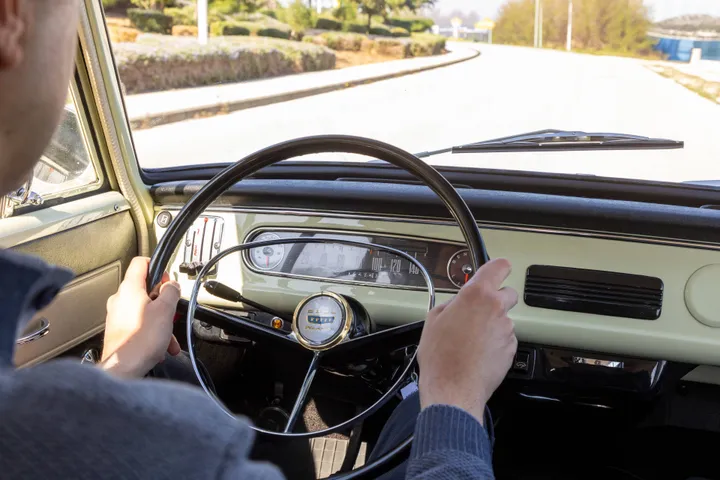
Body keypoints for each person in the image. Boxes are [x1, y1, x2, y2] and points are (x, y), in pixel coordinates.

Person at [0, 1, 519, 478]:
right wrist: (454, 396)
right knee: (418, 411)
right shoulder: (197, 458)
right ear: (10, 19)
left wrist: (121, 364)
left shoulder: (32, 420)